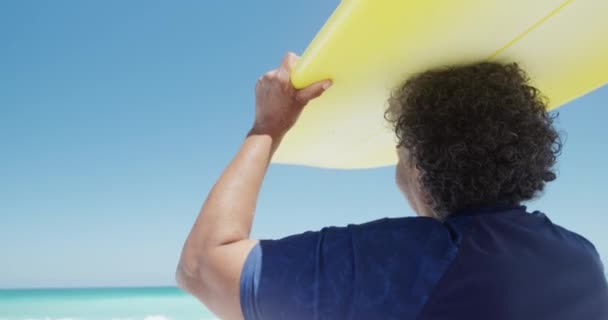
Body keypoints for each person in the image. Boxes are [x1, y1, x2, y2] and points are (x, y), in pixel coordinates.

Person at [176, 52, 608, 320]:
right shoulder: (580, 258)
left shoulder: (411, 262)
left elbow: (200, 267)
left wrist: (266, 127)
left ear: (418, 164)